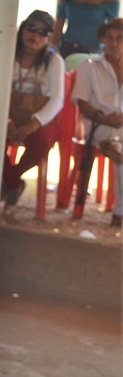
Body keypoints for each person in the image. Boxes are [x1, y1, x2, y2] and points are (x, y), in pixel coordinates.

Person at [1, 10, 65, 207]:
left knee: (43, 142)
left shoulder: (54, 61)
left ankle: (9, 180)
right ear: (22, 29)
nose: (35, 35)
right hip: (6, 113)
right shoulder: (6, 54)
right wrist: (6, 120)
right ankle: (14, 183)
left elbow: (58, 99)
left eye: (43, 32)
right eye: (31, 28)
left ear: (49, 38)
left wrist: (34, 124)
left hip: (39, 117)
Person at [71, 17, 123, 227]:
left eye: (120, 38)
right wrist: (103, 119)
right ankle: (120, 213)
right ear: (102, 39)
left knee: (120, 147)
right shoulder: (89, 65)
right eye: (109, 37)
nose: (114, 43)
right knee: (120, 148)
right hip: (98, 126)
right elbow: (82, 104)